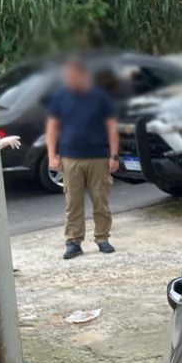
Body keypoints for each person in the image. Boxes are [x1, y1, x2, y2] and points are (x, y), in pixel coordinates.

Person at [45, 57, 119, 259]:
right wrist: (52, 155)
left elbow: (111, 128)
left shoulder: (100, 97)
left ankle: (102, 239)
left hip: (98, 157)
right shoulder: (60, 97)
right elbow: (52, 128)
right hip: (70, 158)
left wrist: (113, 155)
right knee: (72, 203)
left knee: (100, 201)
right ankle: (73, 242)